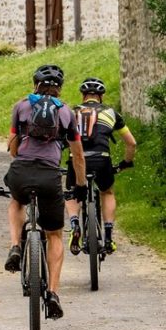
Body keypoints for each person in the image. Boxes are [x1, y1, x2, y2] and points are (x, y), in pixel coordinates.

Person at [4, 63, 86, 321]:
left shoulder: (21, 106)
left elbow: (13, 148)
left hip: (22, 171)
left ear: (35, 85)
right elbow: (77, 155)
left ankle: (16, 246)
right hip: (50, 176)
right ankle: (52, 293)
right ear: (59, 89)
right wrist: (80, 186)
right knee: (54, 234)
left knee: (16, 201)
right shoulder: (66, 114)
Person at [64, 77, 136, 256]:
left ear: (83, 95)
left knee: (72, 192)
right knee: (107, 192)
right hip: (102, 159)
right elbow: (131, 143)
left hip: (77, 160)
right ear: (101, 96)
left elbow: (61, 141)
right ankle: (109, 236)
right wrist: (126, 162)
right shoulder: (111, 112)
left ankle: (74, 225)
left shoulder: (72, 113)